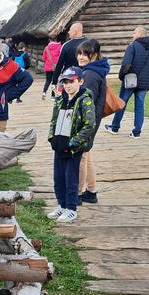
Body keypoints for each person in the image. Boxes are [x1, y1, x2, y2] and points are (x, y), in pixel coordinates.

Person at [46, 67, 97, 223]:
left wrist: (73, 142)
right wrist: (52, 138)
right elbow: (54, 120)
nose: (68, 85)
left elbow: (89, 125)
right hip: (59, 145)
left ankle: (71, 208)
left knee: (71, 178)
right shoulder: (61, 99)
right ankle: (61, 205)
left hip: (73, 148)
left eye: (72, 82)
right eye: (65, 82)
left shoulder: (85, 100)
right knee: (58, 177)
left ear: (80, 82)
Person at [105, 27, 149, 138]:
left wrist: (121, 77)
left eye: (134, 33)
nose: (132, 35)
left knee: (121, 104)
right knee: (139, 106)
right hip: (144, 83)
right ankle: (137, 132)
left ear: (139, 34)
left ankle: (115, 127)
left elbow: (126, 65)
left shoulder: (132, 46)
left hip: (130, 81)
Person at [76, 39, 109, 204]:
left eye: (85, 54)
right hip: (93, 120)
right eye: (80, 53)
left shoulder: (89, 75)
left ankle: (77, 194)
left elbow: (86, 102)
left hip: (86, 122)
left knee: (80, 157)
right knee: (86, 155)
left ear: (94, 55)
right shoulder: (97, 70)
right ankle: (91, 190)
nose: (81, 57)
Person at [42, 35, 62, 99]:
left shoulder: (46, 48)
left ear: (49, 40)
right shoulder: (60, 47)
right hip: (56, 67)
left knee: (48, 80)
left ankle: (44, 93)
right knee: (54, 81)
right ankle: (53, 96)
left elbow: (44, 58)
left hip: (48, 67)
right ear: (56, 39)